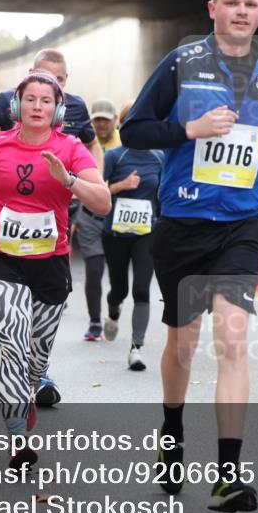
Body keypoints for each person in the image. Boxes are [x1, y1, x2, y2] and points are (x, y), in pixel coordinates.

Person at [122, 0, 258, 513]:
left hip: (243, 224)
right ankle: (172, 432)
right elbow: (134, 128)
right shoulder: (181, 63)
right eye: (232, 3)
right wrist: (187, 130)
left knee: (230, 337)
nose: (242, 11)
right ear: (213, 9)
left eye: (250, 4)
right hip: (182, 223)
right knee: (182, 345)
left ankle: (228, 473)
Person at [0, 71, 110, 468]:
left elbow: (103, 202)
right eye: (30, 99)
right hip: (2, 257)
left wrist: (70, 180)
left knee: (36, 358)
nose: (37, 107)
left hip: (50, 263)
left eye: (46, 101)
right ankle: (17, 440)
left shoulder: (72, 148)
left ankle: (29, 384)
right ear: (16, 105)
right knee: (14, 346)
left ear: (58, 109)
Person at [101, 101, 165, 371]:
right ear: (124, 126)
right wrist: (120, 186)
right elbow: (97, 192)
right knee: (120, 288)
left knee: (141, 289)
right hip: (115, 232)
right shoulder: (114, 156)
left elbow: (164, 195)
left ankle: (136, 348)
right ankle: (113, 311)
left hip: (146, 232)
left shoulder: (159, 157)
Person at [74, 98, 123, 342]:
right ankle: (94, 321)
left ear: (115, 120)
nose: (101, 124)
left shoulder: (124, 144)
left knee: (117, 276)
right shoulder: (81, 145)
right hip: (89, 216)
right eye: (97, 120)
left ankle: (114, 307)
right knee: (94, 270)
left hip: (117, 218)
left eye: (106, 119)